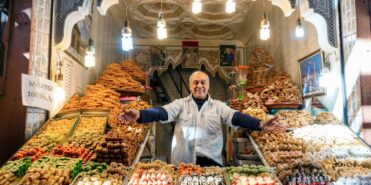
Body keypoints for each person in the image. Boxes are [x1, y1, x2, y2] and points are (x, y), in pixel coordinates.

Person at [119, 71, 286, 166]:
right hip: (183, 164)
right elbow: (162, 112)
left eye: (203, 82)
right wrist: (141, 115)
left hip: (211, 163)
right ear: (190, 86)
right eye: (195, 83)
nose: (199, 86)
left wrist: (261, 124)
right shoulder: (181, 104)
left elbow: (235, 117)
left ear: (208, 85)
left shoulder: (218, 106)